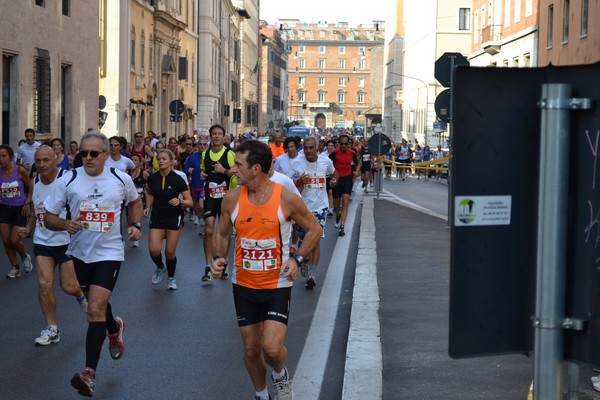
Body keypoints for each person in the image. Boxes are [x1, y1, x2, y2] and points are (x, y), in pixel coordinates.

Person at [210, 139, 321, 400]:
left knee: (271, 349)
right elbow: (223, 234)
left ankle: (280, 375)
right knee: (251, 349)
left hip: (277, 284)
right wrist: (217, 258)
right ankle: (261, 394)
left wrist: (297, 259)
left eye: (238, 165)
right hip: (244, 284)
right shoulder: (232, 198)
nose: (233, 169)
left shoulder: (286, 198)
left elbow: (315, 229)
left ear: (256, 168)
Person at [43, 131, 142, 398]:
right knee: (97, 304)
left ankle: (89, 373)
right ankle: (114, 328)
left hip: (109, 252)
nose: (87, 157)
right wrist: (65, 224)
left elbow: (135, 202)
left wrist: (134, 224)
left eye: (93, 153)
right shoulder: (69, 180)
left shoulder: (120, 179)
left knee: (95, 308)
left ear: (105, 156)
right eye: (83, 153)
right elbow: (48, 217)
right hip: (79, 253)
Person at [18, 145, 88, 346]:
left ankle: (80, 295)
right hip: (43, 242)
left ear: (56, 160)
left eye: (45, 160)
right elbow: (35, 210)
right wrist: (28, 228)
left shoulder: (68, 178)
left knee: (68, 286)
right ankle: (52, 328)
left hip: (67, 241)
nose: (41, 165)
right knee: (44, 284)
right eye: (38, 161)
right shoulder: (35, 180)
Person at [290, 136, 338, 289]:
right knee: (304, 241)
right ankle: (303, 257)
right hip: (302, 208)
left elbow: (335, 174)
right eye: (306, 148)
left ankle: (312, 274)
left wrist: (334, 181)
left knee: (315, 240)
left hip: (320, 207)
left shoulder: (326, 161)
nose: (309, 151)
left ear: (317, 148)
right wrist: (299, 182)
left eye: (311, 148)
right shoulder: (296, 163)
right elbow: (288, 185)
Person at [144, 149, 192, 290]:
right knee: (154, 250)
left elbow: (190, 202)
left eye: (164, 158)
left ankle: (171, 278)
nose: (161, 161)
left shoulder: (178, 179)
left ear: (171, 161)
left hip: (174, 216)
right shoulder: (153, 178)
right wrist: (148, 206)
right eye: (159, 159)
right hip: (157, 215)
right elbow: (150, 193)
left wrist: (180, 201)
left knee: (170, 252)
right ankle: (160, 267)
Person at [200, 124, 235, 282]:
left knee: (225, 232)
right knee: (208, 230)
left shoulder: (229, 154)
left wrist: (224, 172)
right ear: (210, 136)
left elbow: (236, 174)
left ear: (224, 136)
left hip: (226, 198)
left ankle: (224, 262)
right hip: (210, 196)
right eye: (214, 134)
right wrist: (202, 175)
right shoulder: (205, 154)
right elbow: (204, 171)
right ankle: (208, 264)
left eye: (219, 134)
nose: (216, 136)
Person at [0, 144, 33, 278]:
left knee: (14, 239)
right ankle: (15, 267)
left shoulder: (19, 170)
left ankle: (25, 256)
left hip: (20, 207)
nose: (1, 159)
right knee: (6, 240)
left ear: (11, 157)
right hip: (3, 208)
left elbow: (30, 186)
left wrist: (27, 202)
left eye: (4, 156)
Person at [328, 134, 359, 237]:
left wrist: (357, 171)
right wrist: (331, 174)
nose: (344, 146)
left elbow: (358, 163)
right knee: (337, 205)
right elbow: (327, 164)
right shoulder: (334, 153)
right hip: (337, 179)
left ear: (349, 144)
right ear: (339, 144)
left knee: (345, 201)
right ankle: (337, 215)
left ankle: (342, 226)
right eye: (342, 144)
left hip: (347, 179)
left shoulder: (352, 153)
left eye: (346, 144)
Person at [183, 138, 207, 230]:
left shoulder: (210, 156)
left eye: (204, 144)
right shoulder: (192, 157)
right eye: (200, 144)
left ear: (207, 146)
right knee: (196, 205)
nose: (202, 146)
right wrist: (188, 170)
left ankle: (205, 224)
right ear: (197, 146)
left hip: (206, 185)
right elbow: (185, 168)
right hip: (195, 184)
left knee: (203, 205)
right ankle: (200, 219)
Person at [130, 154, 149, 247]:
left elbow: (150, 185)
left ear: (140, 162)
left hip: (140, 199)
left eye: (136, 160)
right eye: (132, 159)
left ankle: (136, 239)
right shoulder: (127, 172)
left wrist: (144, 190)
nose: (133, 161)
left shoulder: (144, 173)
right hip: (129, 199)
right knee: (130, 219)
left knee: (137, 219)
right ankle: (132, 233)